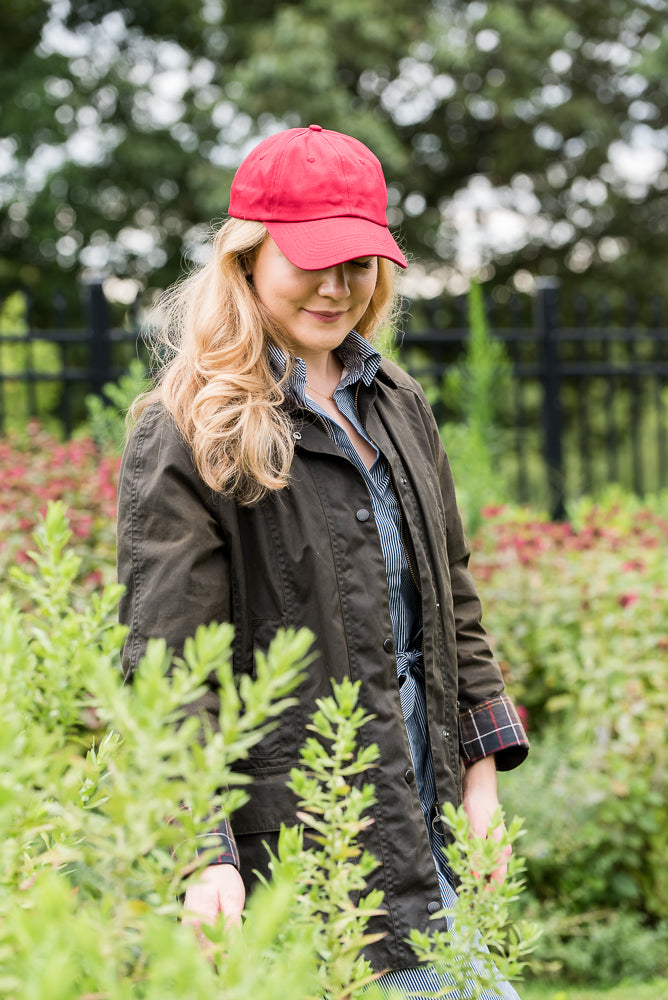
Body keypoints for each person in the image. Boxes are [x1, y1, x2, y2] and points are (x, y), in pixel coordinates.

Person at [117, 124, 529, 997]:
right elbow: (168, 670)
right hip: (309, 841)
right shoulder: (191, 428)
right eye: (313, 260)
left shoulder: (394, 400)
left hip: (427, 822)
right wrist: (201, 855)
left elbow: (452, 602)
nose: (338, 287)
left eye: (359, 262)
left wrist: (480, 787)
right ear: (247, 256)